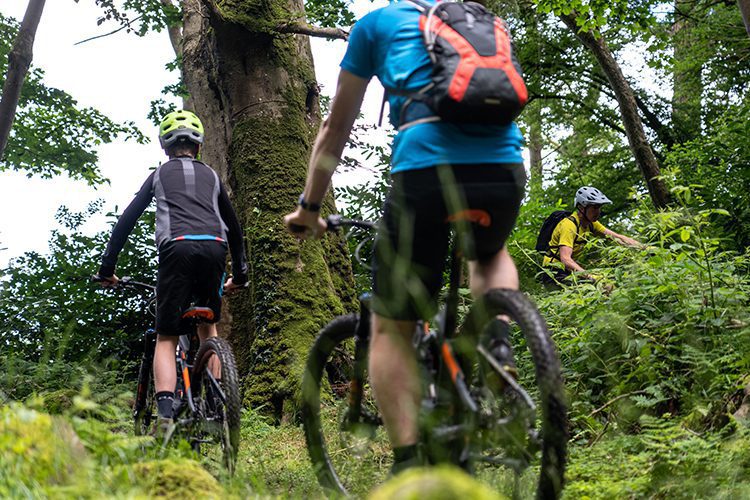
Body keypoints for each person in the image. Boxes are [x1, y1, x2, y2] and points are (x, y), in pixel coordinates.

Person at [282, 0, 526, 474]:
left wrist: (309, 208)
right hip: (504, 168)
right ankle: (499, 344)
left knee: (392, 325)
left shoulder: (375, 25)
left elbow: (335, 127)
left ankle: (410, 462)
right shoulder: (482, 20)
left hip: (425, 170)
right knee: (490, 253)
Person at [96, 110, 248, 433]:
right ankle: (214, 406)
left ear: (165, 146)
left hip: (176, 249)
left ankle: (166, 414)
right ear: (198, 146)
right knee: (209, 326)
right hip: (215, 250)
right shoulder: (213, 177)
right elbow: (234, 228)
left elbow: (127, 219)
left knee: (166, 336)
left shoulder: (159, 175)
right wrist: (242, 273)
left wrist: (107, 267)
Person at [541, 186, 642, 286]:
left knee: (608, 285)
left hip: (568, 270)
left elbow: (617, 237)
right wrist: (590, 276)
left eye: (599, 207)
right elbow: (565, 259)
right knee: (596, 288)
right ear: (581, 208)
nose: (598, 212)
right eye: (594, 208)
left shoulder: (591, 223)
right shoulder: (569, 226)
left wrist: (645, 248)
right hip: (553, 271)